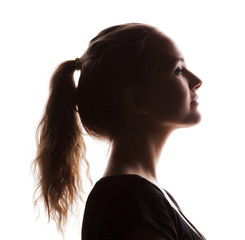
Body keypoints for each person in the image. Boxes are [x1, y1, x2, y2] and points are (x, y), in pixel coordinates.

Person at [33, 23, 206, 240]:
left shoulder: (143, 196)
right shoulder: (131, 200)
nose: (197, 81)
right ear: (137, 99)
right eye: (178, 70)